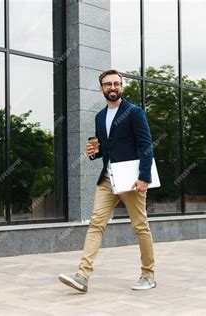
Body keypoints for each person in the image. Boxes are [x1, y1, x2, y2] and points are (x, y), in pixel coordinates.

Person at [58, 69, 156, 293]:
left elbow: (146, 145)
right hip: (107, 179)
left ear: (121, 86)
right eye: (108, 84)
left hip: (131, 180)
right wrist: (94, 152)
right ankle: (82, 275)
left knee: (140, 226)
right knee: (96, 223)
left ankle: (148, 274)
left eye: (116, 84)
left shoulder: (134, 112)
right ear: (101, 88)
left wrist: (144, 177)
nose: (112, 87)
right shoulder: (100, 116)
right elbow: (105, 148)